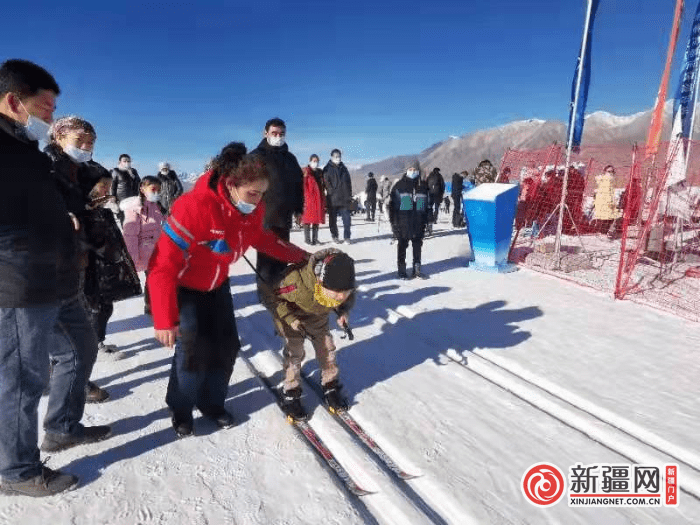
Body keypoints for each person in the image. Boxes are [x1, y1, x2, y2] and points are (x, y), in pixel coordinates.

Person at [147, 142, 309, 437]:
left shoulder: (252, 210)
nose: (258, 200)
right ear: (232, 185)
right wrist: (163, 318)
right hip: (184, 287)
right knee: (193, 349)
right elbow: (162, 266)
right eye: (252, 193)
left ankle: (212, 403)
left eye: (262, 194)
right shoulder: (194, 207)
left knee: (226, 346)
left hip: (217, 285)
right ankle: (181, 408)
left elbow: (263, 239)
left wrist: (301, 256)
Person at [0, 58, 79, 496]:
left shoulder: (22, 149)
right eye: (45, 106)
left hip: (47, 280)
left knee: (70, 354)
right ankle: (16, 472)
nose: (50, 116)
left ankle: (62, 427)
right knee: (21, 381)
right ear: (14, 101)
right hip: (18, 285)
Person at [44, 116, 117, 412]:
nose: (86, 147)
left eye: (91, 142)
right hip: (55, 261)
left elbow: (78, 204)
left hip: (80, 255)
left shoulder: (78, 169)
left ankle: (65, 380)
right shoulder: (45, 168)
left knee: (83, 323)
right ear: (58, 138)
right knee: (76, 332)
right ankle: (71, 392)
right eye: (80, 141)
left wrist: (91, 205)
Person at [262, 248, 355, 421]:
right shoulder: (295, 282)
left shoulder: (342, 284)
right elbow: (273, 298)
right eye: (335, 295)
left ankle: (331, 385)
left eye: (344, 294)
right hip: (294, 320)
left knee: (327, 349)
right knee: (295, 354)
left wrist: (343, 311)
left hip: (318, 319)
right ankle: (291, 391)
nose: (340, 297)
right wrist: (290, 319)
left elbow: (348, 297)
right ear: (320, 282)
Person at [251, 118, 305, 288]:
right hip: (263, 217)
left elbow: (298, 184)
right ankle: (265, 292)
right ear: (265, 133)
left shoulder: (290, 159)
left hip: (284, 216)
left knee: (283, 255)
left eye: (281, 134)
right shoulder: (255, 157)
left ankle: (279, 290)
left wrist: (298, 209)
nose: (278, 137)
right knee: (266, 260)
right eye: (274, 133)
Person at [122, 176, 165, 315]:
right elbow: (130, 236)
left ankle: (153, 305)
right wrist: (132, 260)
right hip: (146, 252)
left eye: (159, 190)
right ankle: (152, 307)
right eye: (153, 189)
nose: (156, 192)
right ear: (142, 188)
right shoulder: (134, 209)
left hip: (158, 250)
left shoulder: (156, 206)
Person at [389, 160, 430, 279]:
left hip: (418, 221)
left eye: (415, 170)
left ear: (418, 171)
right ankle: (401, 270)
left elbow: (427, 205)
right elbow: (392, 207)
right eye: (410, 169)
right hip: (403, 222)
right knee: (402, 246)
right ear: (406, 170)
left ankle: (417, 269)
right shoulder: (399, 186)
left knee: (417, 245)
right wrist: (394, 224)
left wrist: (428, 220)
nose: (412, 171)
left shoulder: (423, 186)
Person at [323, 149, 353, 243]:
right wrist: (331, 192)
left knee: (347, 219)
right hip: (332, 199)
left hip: (344, 198)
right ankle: (335, 236)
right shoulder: (327, 168)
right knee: (333, 220)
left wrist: (349, 195)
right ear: (331, 157)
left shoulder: (344, 168)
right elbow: (325, 182)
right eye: (335, 156)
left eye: (339, 156)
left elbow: (349, 182)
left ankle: (347, 237)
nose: (338, 158)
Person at [301, 154, 326, 246]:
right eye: (313, 161)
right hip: (308, 198)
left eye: (317, 161)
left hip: (318, 199)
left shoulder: (320, 172)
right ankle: (307, 240)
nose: (315, 162)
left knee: (316, 220)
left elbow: (323, 185)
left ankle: (315, 239)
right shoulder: (306, 172)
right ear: (310, 161)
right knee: (307, 220)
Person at [426, 167, 445, 232]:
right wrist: (442, 194)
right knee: (436, 208)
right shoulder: (440, 176)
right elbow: (443, 186)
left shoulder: (430, 176)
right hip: (437, 194)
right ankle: (434, 219)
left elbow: (426, 184)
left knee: (429, 208)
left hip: (430, 194)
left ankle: (429, 220)